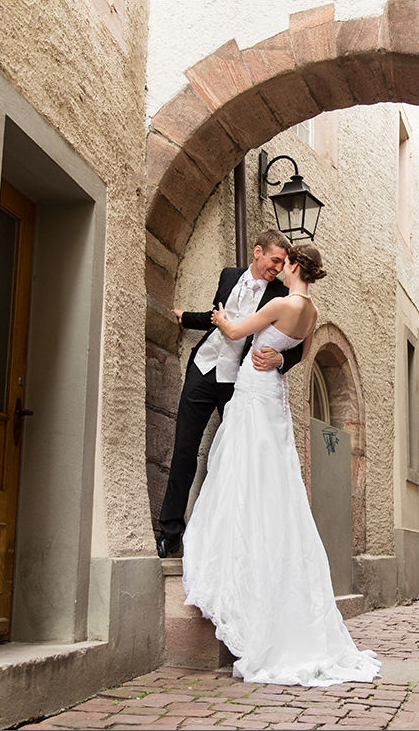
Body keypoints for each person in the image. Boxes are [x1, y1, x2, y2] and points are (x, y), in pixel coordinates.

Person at [181, 243, 381, 686]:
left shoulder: (278, 302)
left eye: (284, 262)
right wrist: (277, 355)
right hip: (272, 394)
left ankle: (236, 551)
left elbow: (234, 334)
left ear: (291, 267)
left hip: (254, 390)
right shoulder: (310, 312)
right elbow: (301, 353)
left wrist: (217, 319)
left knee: (242, 468)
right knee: (272, 475)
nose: (281, 266)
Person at [156, 229, 304, 559]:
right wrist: (184, 318)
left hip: (236, 383)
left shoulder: (281, 295)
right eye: (274, 260)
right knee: (184, 451)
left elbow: (295, 341)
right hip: (203, 370)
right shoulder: (229, 276)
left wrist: (282, 359)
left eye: (282, 264)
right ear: (257, 252)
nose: (277, 268)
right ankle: (169, 531)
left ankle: (231, 542)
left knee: (235, 459)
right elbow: (216, 318)